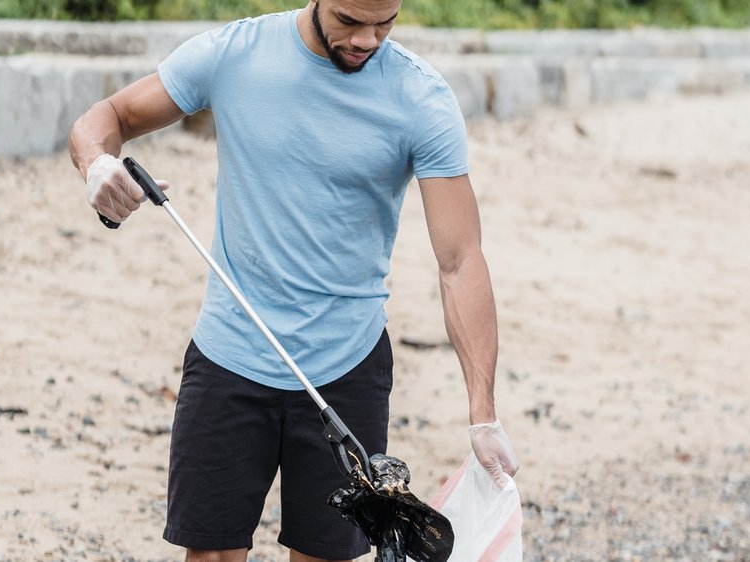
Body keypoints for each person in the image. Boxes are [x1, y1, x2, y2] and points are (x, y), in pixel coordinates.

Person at [68, 1, 519, 561]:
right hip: (229, 354)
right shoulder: (235, 54)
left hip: (346, 365)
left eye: (385, 23)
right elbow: (109, 115)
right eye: (351, 22)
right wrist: (98, 165)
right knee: (209, 554)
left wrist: (484, 414)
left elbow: (460, 261)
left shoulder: (420, 98)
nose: (368, 40)